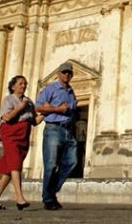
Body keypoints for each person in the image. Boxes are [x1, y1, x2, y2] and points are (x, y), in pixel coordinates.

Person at [0, 75, 44, 211]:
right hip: (10, 132)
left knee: (10, 167)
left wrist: (47, 113)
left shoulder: (29, 102)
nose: (23, 86)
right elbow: (7, 117)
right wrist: (21, 107)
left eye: (25, 84)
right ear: (13, 86)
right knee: (15, 164)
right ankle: (19, 198)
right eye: (20, 83)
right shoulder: (8, 100)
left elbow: (34, 121)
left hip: (23, 134)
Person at [35, 61, 78, 211]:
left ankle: (51, 191)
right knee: (51, 165)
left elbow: (71, 111)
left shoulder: (71, 92)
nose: (67, 75)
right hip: (53, 129)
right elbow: (37, 107)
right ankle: (48, 199)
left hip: (68, 130)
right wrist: (57, 109)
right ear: (58, 74)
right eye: (64, 72)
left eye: (69, 73)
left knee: (72, 161)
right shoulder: (50, 89)